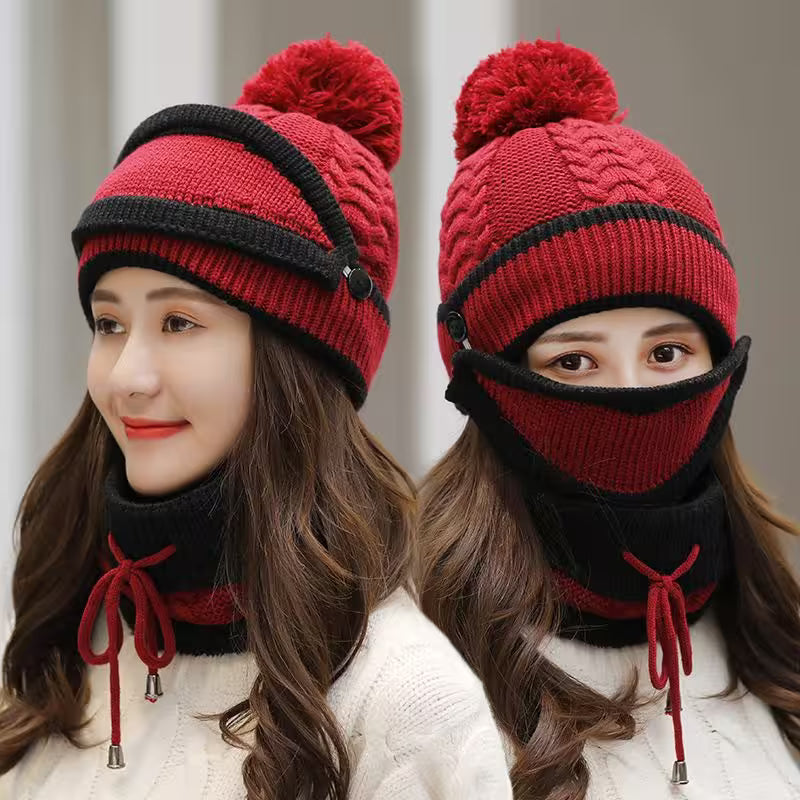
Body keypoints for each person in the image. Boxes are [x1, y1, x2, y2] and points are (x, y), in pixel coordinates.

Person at [0, 37, 512, 800]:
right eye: (109, 324)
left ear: (293, 361)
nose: (127, 378)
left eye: (179, 323)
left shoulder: (405, 701)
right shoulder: (66, 641)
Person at [420, 39, 800, 799]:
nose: (630, 394)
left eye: (667, 353)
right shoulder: (417, 678)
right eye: (573, 361)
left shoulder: (779, 649)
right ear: (483, 383)